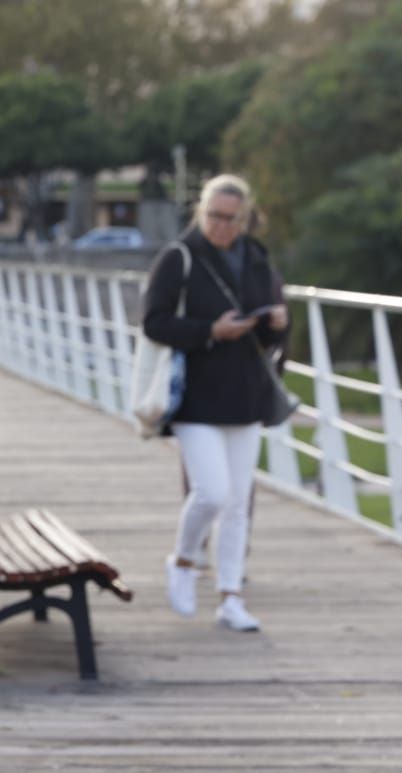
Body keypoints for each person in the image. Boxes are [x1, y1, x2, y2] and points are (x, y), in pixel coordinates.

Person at [140, 174, 289, 633]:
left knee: (239, 502)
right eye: (213, 216)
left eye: (230, 219)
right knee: (213, 492)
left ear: (244, 220)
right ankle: (183, 561)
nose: (221, 226)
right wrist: (210, 331)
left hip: (245, 394)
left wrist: (277, 324)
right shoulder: (178, 258)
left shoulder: (256, 258)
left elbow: (268, 330)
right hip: (195, 396)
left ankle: (231, 598)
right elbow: (153, 323)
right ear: (200, 212)